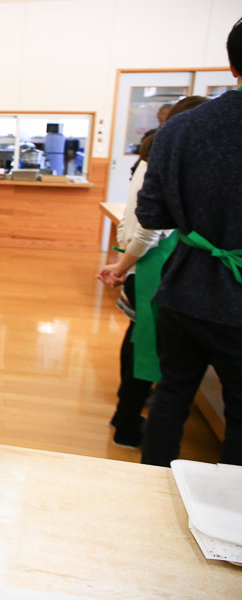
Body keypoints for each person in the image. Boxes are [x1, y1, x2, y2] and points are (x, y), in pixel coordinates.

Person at [135, 16, 242, 467]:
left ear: (232, 67)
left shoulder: (180, 128)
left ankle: (153, 493)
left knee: (172, 394)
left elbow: (151, 214)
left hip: (183, 288)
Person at [96, 96, 210, 448]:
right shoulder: (163, 157)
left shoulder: (154, 154)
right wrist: (123, 265)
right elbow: (147, 228)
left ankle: (128, 412)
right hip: (151, 264)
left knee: (138, 340)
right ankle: (128, 421)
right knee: (145, 345)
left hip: (148, 262)